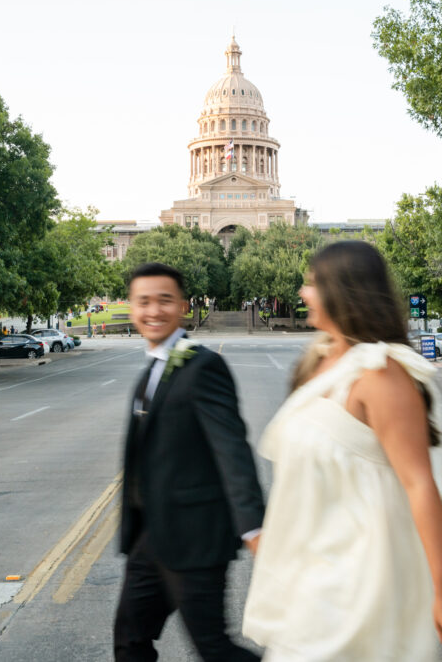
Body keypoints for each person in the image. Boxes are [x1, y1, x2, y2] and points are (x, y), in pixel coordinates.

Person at [243, 241, 442, 661]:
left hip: (363, 578)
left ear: (344, 291)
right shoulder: (317, 363)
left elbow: (418, 484)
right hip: (313, 575)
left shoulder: (380, 374)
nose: (302, 293)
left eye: (313, 283)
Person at [115, 262, 265, 662]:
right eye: (143, 302)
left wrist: (253, 525)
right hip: (151, 539)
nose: (153, 311)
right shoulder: (152, 368)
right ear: (131, 308)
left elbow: (231, 446)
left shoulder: (202, 365)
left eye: (164, 301)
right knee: (130, 640)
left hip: (195, 537)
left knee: (214, 649)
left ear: (183, 306)